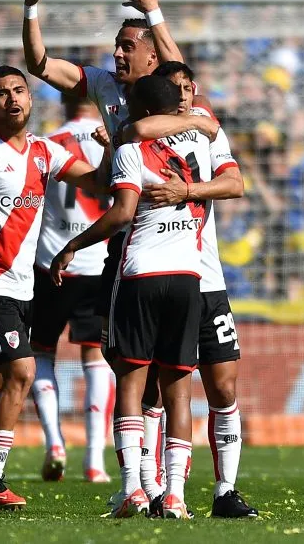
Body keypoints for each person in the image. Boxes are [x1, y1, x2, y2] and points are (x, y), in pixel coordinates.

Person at [0, 66, 111, 512]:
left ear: (31, 100)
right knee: (22, 372)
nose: (12, 99)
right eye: (1, 94)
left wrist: (108, 156)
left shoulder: (45, 152)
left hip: (22, 286)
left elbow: (99, 184)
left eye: (19, 91)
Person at [50, 75, 227, 520]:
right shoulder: (202, 140)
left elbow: (122, 214)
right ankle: (175, 497)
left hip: (139, 275)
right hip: (189, 276)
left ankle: (132, 489)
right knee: (179, 393)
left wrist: (74, 245)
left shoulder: (131, 146)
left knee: (131, 385)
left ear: (139, 107)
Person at [22, 0, 219, 361]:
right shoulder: (104, 84)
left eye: (127, 47)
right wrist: (30, 6)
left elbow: (177, 67)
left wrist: (155, 14)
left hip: (179, 231)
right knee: (120, 355)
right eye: (116, 46)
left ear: (151, 56)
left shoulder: (176, 99)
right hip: (127, 233)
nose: (117, 54)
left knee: (179, 365)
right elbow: (40, 65)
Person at [126, 61, 257, 518]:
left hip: (209, 280)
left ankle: (225, 491)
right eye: (174, 89)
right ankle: (154, 486)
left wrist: (188, 191)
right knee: (158, 390)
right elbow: (141, 124)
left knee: (223, 386)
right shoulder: (145, 133)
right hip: (163, 272)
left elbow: (235, 183)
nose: (182, 96)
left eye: (188, 89)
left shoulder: (206, 133)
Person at [30, 93, 114, 484]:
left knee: (41, 352)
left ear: (63, 101)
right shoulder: (112, 140)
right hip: (97, 263)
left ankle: (54, 442)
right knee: (96, 361)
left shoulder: (47, 144)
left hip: (51, 264)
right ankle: (94, 460)